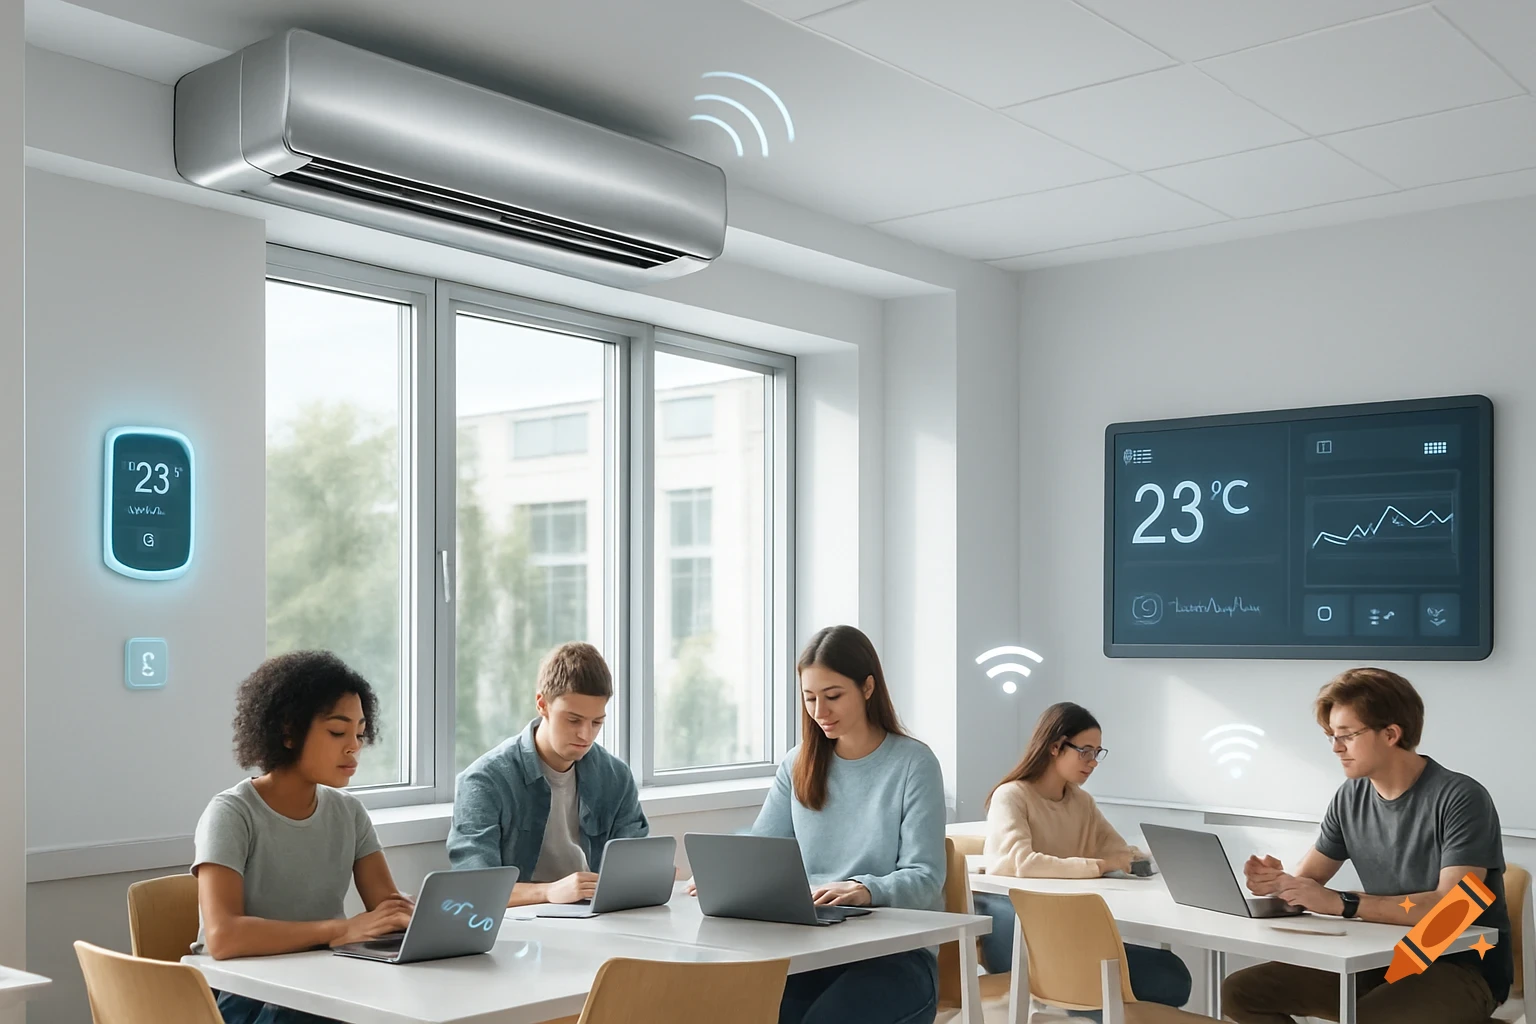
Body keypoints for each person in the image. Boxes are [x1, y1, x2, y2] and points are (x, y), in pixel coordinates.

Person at [1222, 667, 1512, 1024]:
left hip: (1460, 965)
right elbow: (1308, 881)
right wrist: (1278, 883)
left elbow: (1453, 909)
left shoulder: (1460, 797)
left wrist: (1344, 904)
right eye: (1330, 735)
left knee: (1369, 1019)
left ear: (1391, 734)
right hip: (1380, 959)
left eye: (1347, 735)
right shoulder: (1351, 796)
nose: (1335, 747)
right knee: (1242, 992)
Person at [193, 651, 416, 1024]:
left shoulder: (349, 813)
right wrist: (341, 929)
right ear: (288, 731)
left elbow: (386, 912)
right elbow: (224, 937)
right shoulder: (231, 813)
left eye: (360, 733)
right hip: (241, 999)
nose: (354, 746)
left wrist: (421, 918)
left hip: (321, 987)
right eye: (337, 731)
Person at [745, 625, 946, 1024]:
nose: (820, 712)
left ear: (868, 688)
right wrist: (728, 872)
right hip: (812, 947)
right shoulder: (797, 763)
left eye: (833, 696)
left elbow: (926, 877)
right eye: (810, 698)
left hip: (896, 956)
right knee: (742, 1007)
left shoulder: (914, 764)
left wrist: (863, 889)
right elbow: (762, 851)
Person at [977, 702, 1192, 1018]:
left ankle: (1085, 1009)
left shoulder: (1081, 801)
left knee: (1172, 977)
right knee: (1169, 976)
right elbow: (1018, 862)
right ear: (1055, 747)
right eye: (1085, 751)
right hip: (1017, 934)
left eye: (1098, 753)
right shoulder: (1012, 796)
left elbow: (1116, 850)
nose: (1092, 762)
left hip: (1069, 931)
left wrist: (1147, 855)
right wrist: (1098, 866)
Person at [448, 642, 647, 907]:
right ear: (542, 704)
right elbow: (472, 888)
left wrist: (651, 878)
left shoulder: (616, 778)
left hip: (600, 916)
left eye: (597, 722)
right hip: (522, 926)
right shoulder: (484, 781)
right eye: (573, 720)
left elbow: (634, 870)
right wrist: (549, 892)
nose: (586, 735)